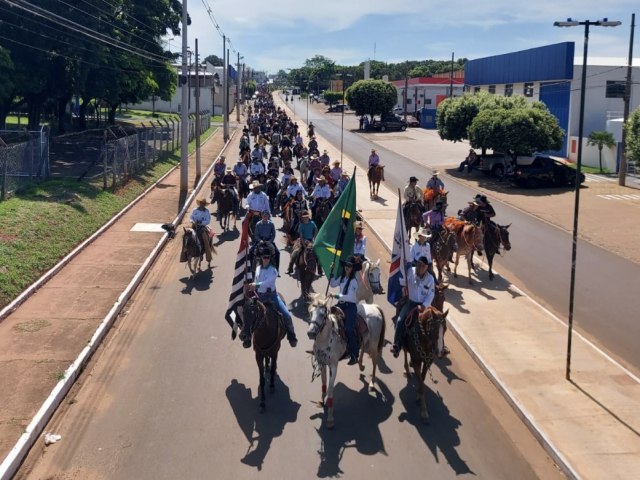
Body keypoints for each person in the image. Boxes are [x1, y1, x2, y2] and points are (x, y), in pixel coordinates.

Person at [243, 253, 297, 348]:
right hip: (260, 296)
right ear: (261, 258)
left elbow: (269, 282)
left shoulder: (273, 270)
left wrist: (256, 285)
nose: (266, 259)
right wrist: (251, 285)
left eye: (268, 257)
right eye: (264, 257)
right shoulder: (258, 268)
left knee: (287, 315)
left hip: (272, 296)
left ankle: (291, 336)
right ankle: (246, 337)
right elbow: (256, 281)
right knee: (248, 313)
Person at [390, 256, 435, 358]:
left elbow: (431, 295)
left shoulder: (430, 279)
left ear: (427, 267)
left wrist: (424, 305)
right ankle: (397, 345)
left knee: (435, 323)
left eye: (423, 266)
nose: (420, 267)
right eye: (419, 264)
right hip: (411, 303)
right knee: (400, 321)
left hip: (423, 306)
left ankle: (436, 347)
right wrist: (404, 267)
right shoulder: (410, 272)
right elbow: (402, 280)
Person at [329, 256, 361, 365]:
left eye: (350, 266)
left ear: (353, 268)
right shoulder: (342, 278)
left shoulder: (354, 282)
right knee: (327, 319)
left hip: (350, 307)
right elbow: (332, 283)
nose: (347, 268)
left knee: (348, 329)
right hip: (341, 305)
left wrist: (336, 295)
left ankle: (354, 354)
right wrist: (331, 272)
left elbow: (349, 297)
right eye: (346, 265)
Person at [189, 198, 214, 265]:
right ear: (199, 204)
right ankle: (185, 254)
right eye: (201, 204)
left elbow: (208, 221)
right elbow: (191, 217)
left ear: (205, 205)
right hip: (194, 227)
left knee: (205, 239)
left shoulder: (207, 212)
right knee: (186, 237)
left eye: (203, 204)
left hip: (202, 228)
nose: (202, 205)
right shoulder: (195, 210)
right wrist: (193, 222)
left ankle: (208, 257)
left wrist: (201, 222)